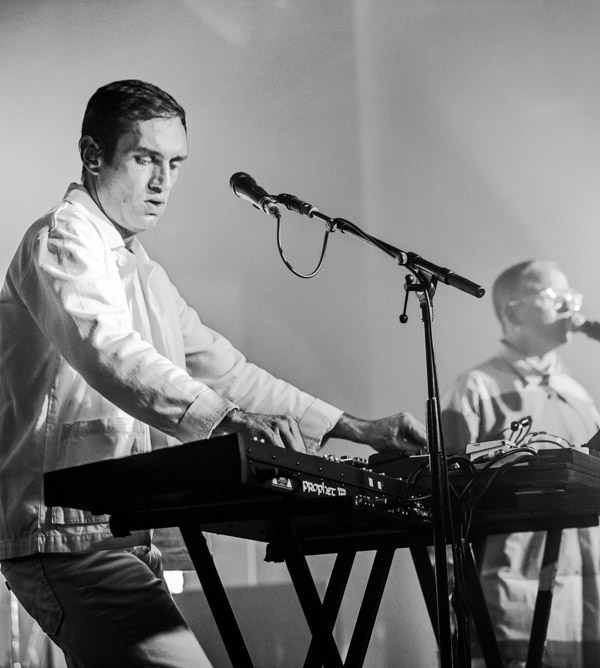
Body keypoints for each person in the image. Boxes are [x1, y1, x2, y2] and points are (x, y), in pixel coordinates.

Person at [0, 80, 427, 668]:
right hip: (65, 536)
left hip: (116, 534)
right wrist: (226, 421)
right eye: (145, 158)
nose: (162, 182)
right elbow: (108, 349)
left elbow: (229, 372)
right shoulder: (63, 237)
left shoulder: (143, 272)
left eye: (175, 164)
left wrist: (358, 428)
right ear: (92, 154)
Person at [441, 259, 600, 668]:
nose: (571, 308)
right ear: (514, 310)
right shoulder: (473, 390)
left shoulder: (578, 395)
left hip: (580, 596)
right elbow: (445, 501)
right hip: (507, 592)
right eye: (556, 298)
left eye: (573, 297)